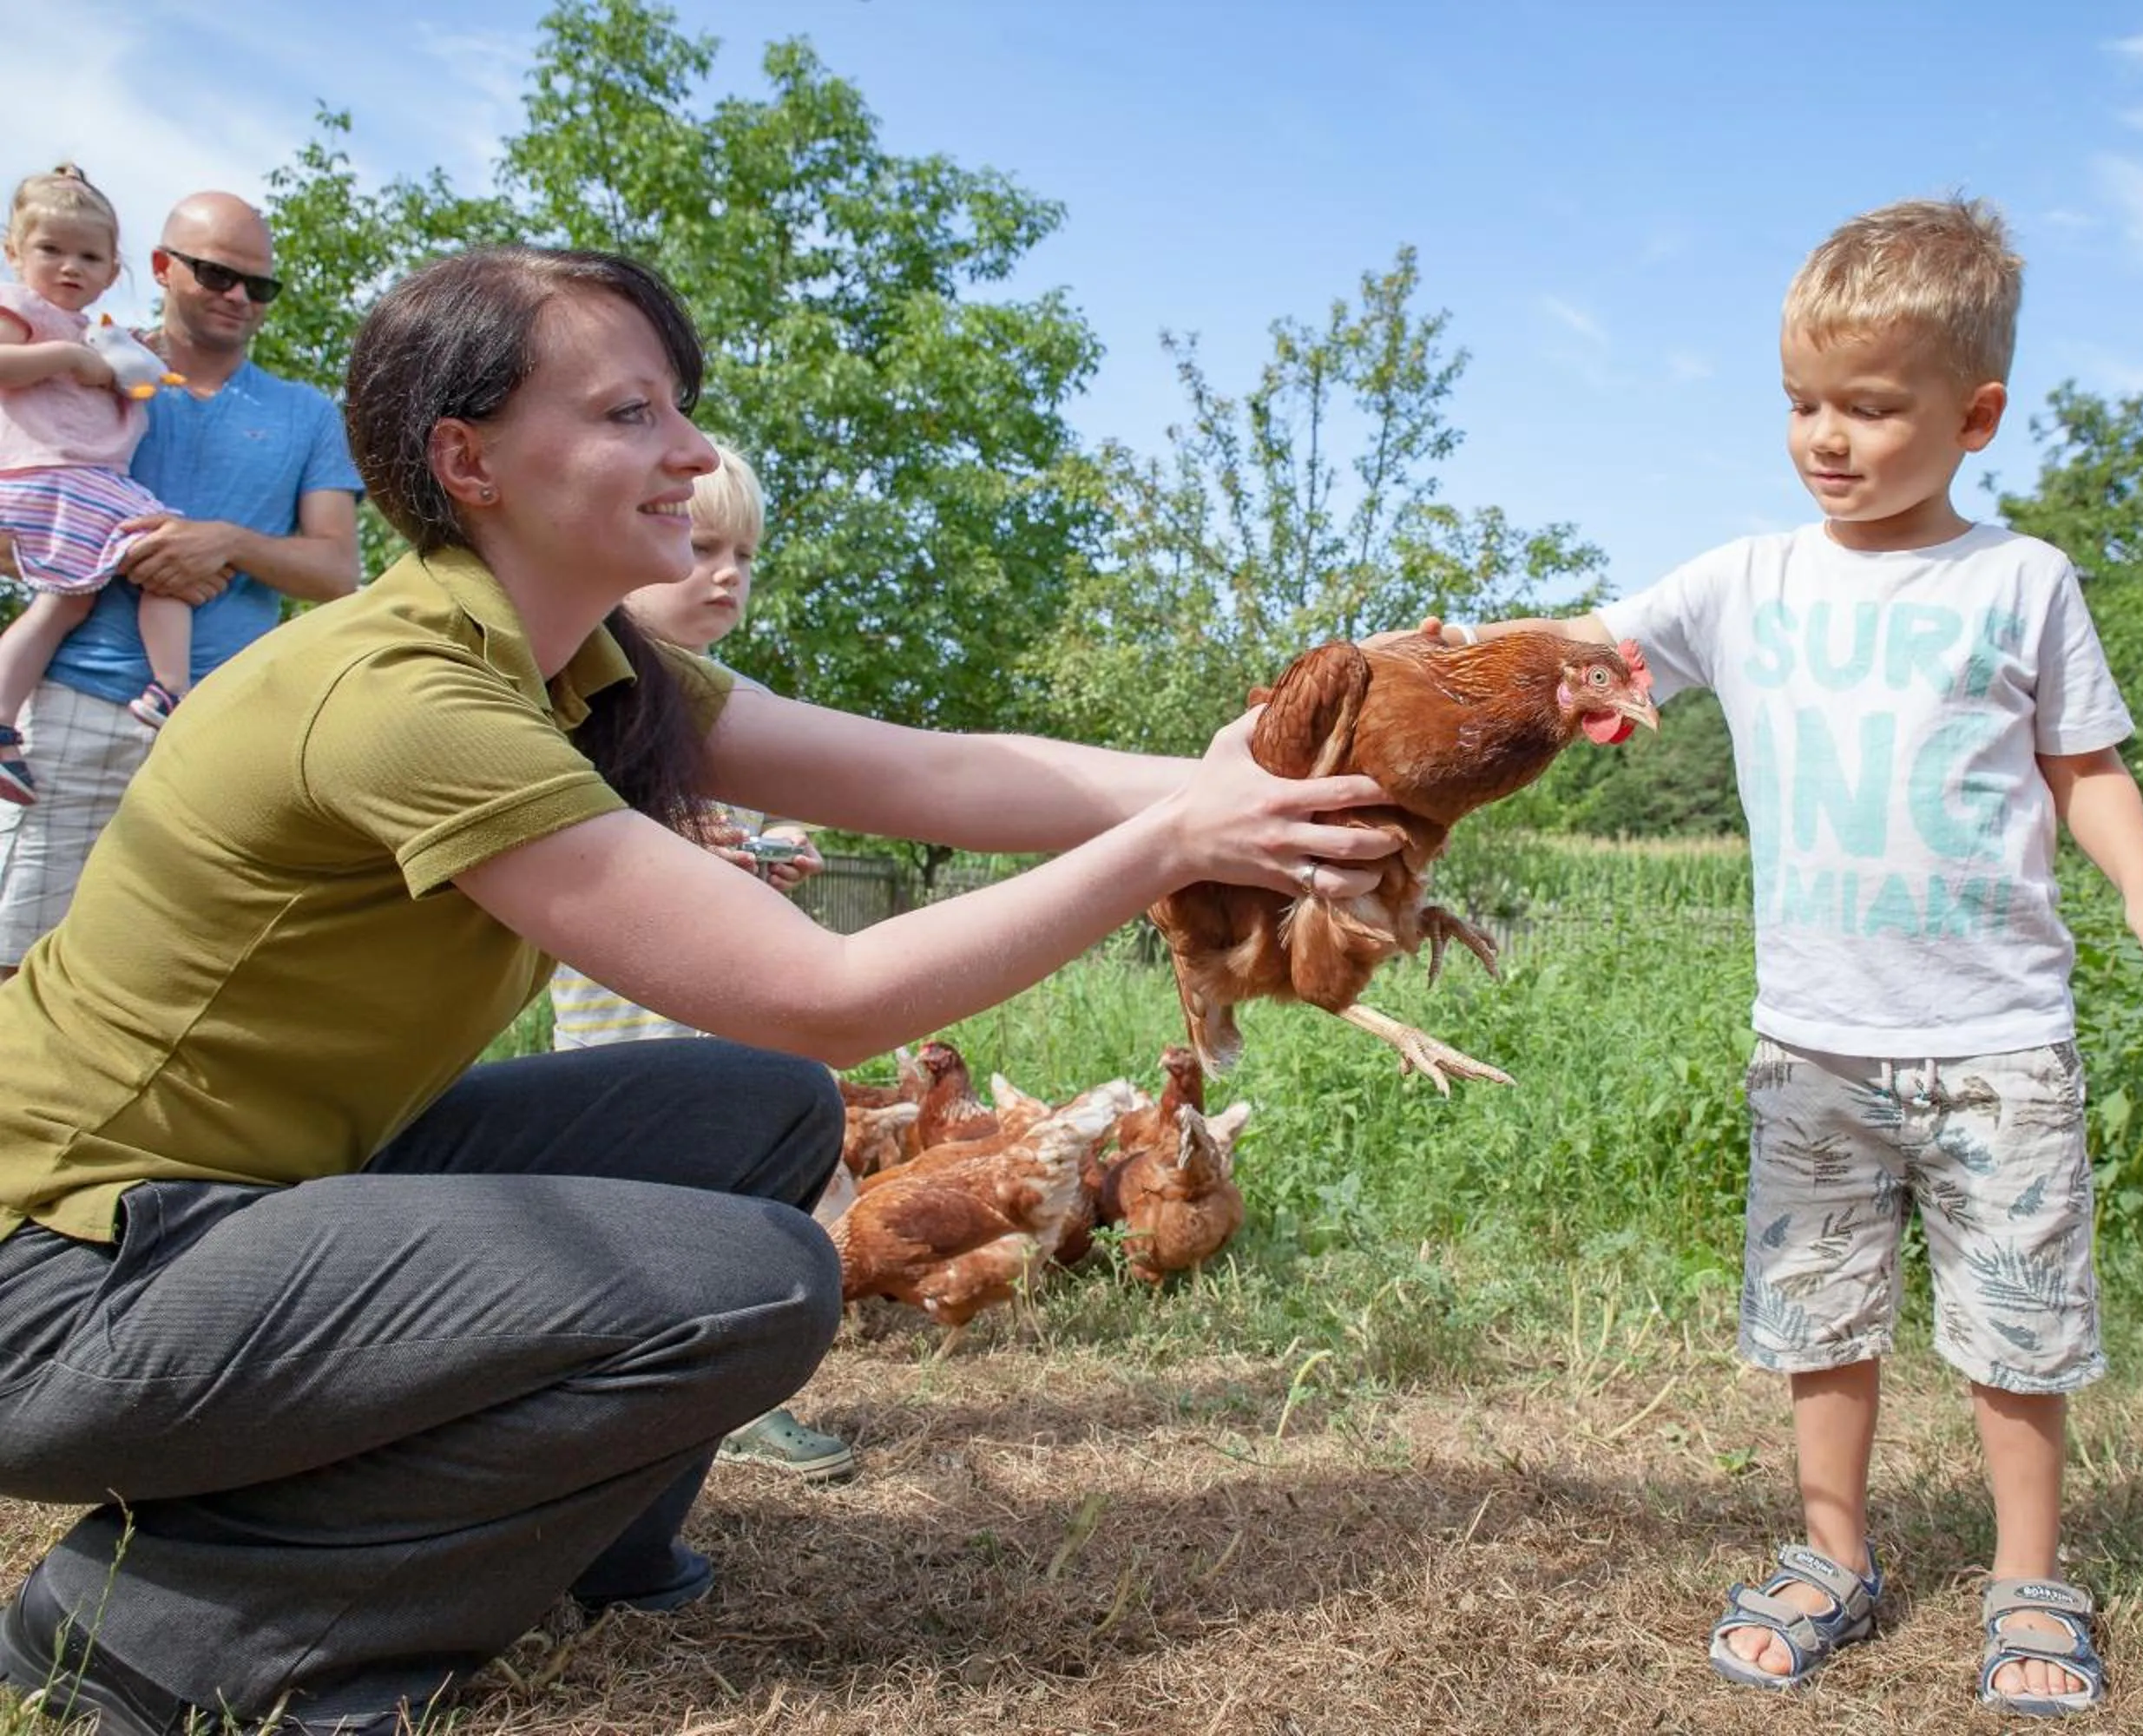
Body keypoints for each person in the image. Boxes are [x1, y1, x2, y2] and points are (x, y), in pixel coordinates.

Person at [0, 244, 1398, 1736]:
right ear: (468, 461)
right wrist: (1175, 846)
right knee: (757, 1281)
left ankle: (571, 1537)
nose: (690, 452)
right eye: (629, 415)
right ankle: (160, 1629)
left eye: (678, 406)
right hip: (65, 1280)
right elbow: (827, 991)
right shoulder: (407, 697)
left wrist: (1251, 784)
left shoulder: (583, 671)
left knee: (756, 1116)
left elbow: (936, 773)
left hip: (245, 1205)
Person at [1418, 197, 2143, 1717]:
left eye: (1871, 406)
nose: (1826, 439)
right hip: (1815, 1042)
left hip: (1997, 1038)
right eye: (1801, 402)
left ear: (1975, 416)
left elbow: (2084, 764)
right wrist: (1449, 662)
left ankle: (2029, 1580)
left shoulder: (2022, 581)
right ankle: (1833, 1554)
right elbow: (1583, 648)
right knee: (1819, 1316)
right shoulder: (1748, 582)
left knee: (2016, 1331)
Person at [546, 438, 855, 1483]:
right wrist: (689, 853)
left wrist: (772, 854)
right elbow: (585, 858)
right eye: (701, 545)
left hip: (729, 1007)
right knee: (637, 1213)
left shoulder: (734, 701)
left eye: (744, 556)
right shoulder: (582, 698)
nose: (726, 574)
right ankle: (635, 1397)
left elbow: (742, 837)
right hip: (622, 1015)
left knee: (744, 1204)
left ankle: (741, 1399)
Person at [0, 188, 360, 978]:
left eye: (259, 285)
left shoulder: (306, 415)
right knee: (18, 958)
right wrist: (121, 549)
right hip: (72, 709)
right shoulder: (87, 364)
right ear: (163, 267)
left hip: (221, 724)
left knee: (181, 975)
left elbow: (337, 571)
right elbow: (15, 507)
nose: (239, 298)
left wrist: (223, 542)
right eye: (217, 275)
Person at [0, 165, 198, 807]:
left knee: (67, 603)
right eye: (50, 249)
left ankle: (2, 723)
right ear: (14, 252)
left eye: (88, 257)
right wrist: (67, 358)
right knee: (169, 552)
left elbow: (134, 378)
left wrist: (120, 358)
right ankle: (172, 690)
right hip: (52, 474)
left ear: (112, 272)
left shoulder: (93, 330)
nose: (69, 267)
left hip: (81, 479)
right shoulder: (23, 309)